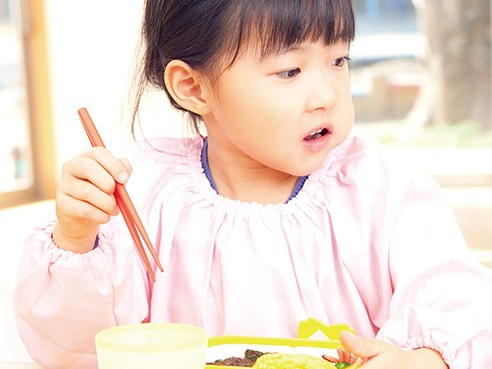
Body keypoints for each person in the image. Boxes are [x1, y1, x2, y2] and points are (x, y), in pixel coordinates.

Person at [13, 0, 492, 368]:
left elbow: (458, 307)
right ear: (193, 88)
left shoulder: (382, 191)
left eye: (340, 60)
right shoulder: (141, 190)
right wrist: (76, 238)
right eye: (290, 70)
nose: (326, 95)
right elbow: (75, 350)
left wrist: (423, 359)